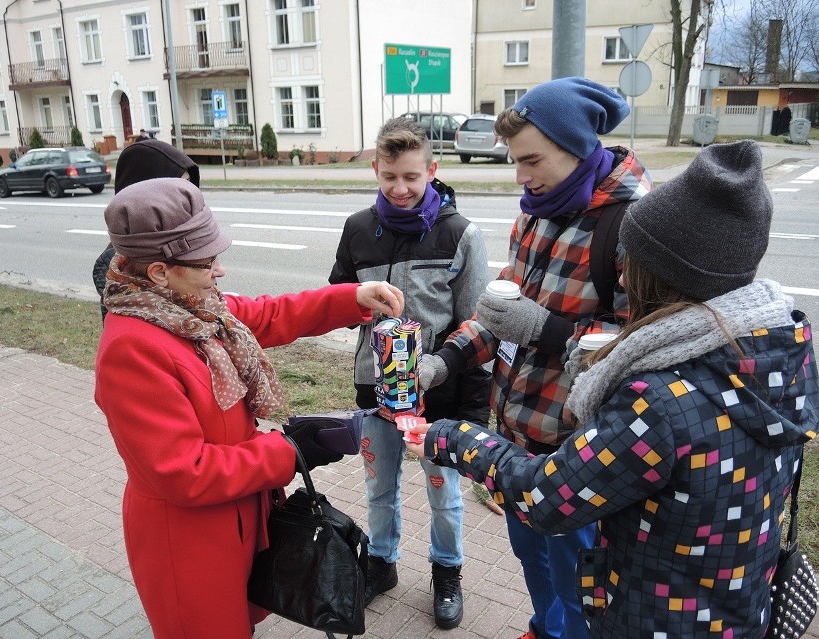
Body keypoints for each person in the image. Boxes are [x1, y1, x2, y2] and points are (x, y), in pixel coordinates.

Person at [406, 139, 819, 638]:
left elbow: (546, 495)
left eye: (633, 259)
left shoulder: (660, 400)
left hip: (651, 615)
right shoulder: (787, 349)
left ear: (666, 275)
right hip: (737, 601)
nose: (621, 270)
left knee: (567, 576)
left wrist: (449, 436)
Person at [94, 177, 405, 639]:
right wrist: (287, 452)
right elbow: (184, 471)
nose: (219, 270)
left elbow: (267, 313)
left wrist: (351, 298)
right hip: (189, 542)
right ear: (159, 271)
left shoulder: (191, 305)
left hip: (236, 518)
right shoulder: (132, 348)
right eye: (206, 261)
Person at [417, 77, 654, 639]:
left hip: (578, 440)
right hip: (518, 430)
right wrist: (446, 360)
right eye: (514, 161)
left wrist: (545, 330)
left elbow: (641, 345)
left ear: (578, 147)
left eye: (531, 160)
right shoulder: (534, 213)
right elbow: (501, 313)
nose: (520, 177)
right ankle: (545, 626)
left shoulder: (633, 226)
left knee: (579, 574)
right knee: (531, 555)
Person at [328, 116, 491, 629]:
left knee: (444, 493)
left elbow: (478, 328)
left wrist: (473, 411)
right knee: (378, 489)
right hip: (375, 392)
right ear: (376, 169)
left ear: (432, 171)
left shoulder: (460, 234)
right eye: (389, 177)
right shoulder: (357, 229)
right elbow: (335, 298)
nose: (400, 189)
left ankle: (447, 571)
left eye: (412, 178)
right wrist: (357, 308)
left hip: (436, 400)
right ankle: (381, 563)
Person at [92, 139, 200, 321]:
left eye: (190, 184)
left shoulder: (177, 239)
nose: (189, 194)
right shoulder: (122, 263)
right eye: (181, 186)